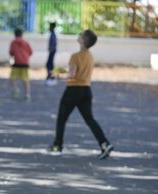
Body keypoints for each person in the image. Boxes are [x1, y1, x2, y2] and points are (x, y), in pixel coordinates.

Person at [49, 29, 114, 159]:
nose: (79, 36)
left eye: (81, 35)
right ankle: (104, 143)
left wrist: (56, 76)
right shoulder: (90, 56)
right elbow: (78, 72)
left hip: (73, 91)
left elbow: (71, 75)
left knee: (61, 119)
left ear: (83, 41)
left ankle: (57, 145)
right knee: (90, 119)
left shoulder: (75, 56)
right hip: (86, 90)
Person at [9, 28, 33, 102]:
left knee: (12, 77)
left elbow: (11, 52)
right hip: (25, 63)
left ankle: (16, 89)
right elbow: (30, 52)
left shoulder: (13, 42)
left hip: (16, 63)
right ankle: (27, 95)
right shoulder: (26, 42)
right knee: (25, 79)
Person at [45, 22, 57, 86]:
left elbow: (54, 44)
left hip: (52, 51)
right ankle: (50, 76)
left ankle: (51, 77)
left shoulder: (53, 35)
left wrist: (51, 50)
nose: (49, 28)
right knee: (50, 64)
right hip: (52, 51)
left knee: (49, 65)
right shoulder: (52, 34)